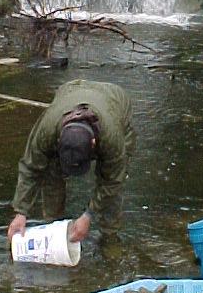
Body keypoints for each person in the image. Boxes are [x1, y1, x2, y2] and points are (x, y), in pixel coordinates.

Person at [7, 79, 136, 244]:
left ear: (93, 144)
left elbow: (112, 182)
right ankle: (53, 227)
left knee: (112, 184)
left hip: (114, 101)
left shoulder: (112, 138)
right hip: (72, 90)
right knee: (51, 170)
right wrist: (21, 213)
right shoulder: (47, 129)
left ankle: (110, 237)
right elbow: (31, 167)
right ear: (59, 140)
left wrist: (88, 215)